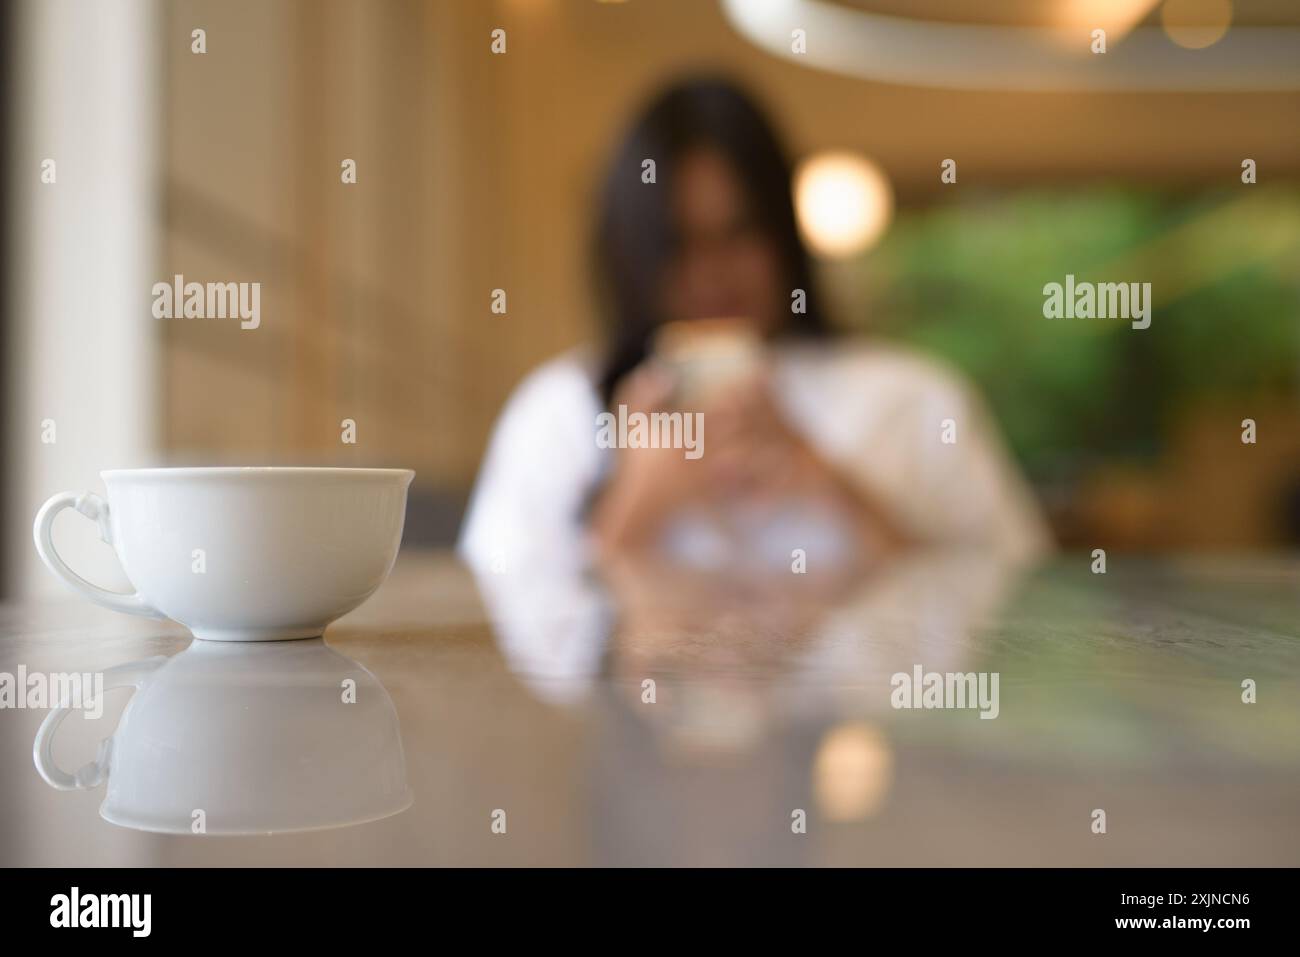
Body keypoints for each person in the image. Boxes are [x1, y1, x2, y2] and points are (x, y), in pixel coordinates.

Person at [459, 77, 1049, 576]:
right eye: (678, 244)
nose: (711, 274)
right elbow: (501, 630)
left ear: (782, 235)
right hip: (638, 713)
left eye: (738, 234)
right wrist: (635, 506)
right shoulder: (558, 410)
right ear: (633, 254)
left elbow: (1021, 605)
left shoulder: (913, 400)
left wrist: (831, 488)